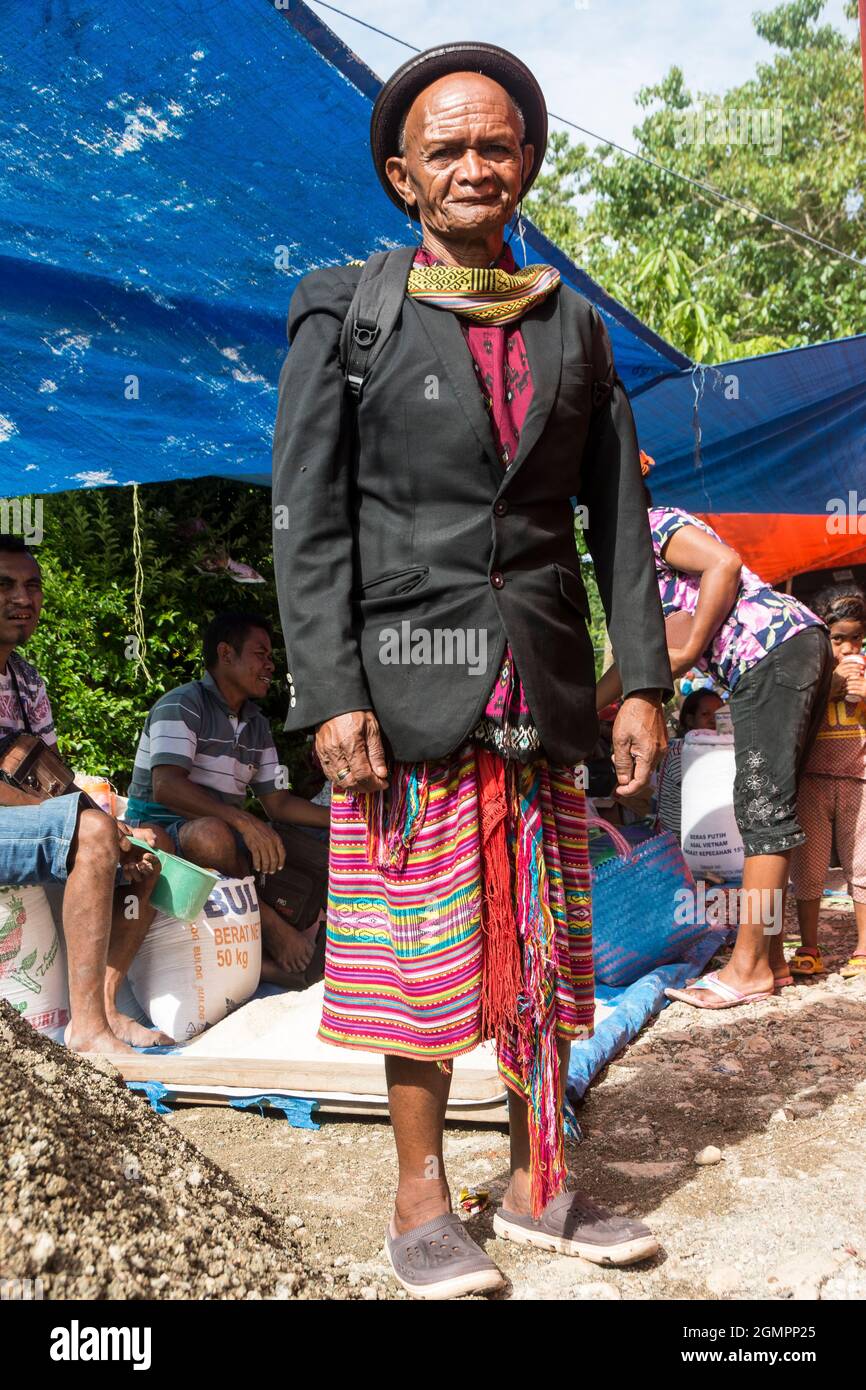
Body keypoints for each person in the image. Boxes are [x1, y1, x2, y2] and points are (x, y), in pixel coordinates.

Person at [272, 42, 672, 1299]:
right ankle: (417, 1199)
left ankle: (542, 1178)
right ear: (402, 174)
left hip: (543, 686)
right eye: (444, 148)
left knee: (545, 949)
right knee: (415, 952)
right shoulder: (350, 310)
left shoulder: (574, 328)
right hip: (404, 686)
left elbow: (611, 519)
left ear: (528, 163)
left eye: (494, 144)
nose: (472, 166)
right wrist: (329, 687)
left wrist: (643, 680)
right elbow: (305, 515)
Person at [598, 461, 834, 1009]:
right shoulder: (630, 565)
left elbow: (723, 565)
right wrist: (587, 707)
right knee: (769, 803)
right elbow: (639, 659)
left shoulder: (654, 525)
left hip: (769, 653)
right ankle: (770, 959)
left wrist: (690, 646)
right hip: (787, 650)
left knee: (761, 809)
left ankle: (745, 968)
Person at [0, 536, 167, 1054]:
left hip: (19, 822)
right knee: (91, 830)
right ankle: (87, 1032)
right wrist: (85, 820)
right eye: (5, 585)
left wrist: (115, 827)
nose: (22, 598)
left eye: (32, 586)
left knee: (148, 845)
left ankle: (106, 1009)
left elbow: (55, 778)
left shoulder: (27, 680)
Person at [125, 611, 329, 984]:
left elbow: (277, 803)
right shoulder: (182, 704)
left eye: (270, 657)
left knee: (314, 841)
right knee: (213, 835)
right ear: (226, 653)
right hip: (163, 826)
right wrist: (244, 822)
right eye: (260, 654)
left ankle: (310, 940)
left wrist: (342, 820)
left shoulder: (256, 724)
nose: (270, 665)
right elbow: (166, 787)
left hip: (224, 826)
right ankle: (271, 931)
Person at [789, 585, 866, 979]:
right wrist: (830, 687)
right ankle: (808, 944)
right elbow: (794, 722)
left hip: (859, 780)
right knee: (809, 866)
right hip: (812, 782)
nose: (849, 647)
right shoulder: (810, 675)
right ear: (821, 636)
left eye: (857, 638)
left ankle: (864, 948)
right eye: (839, 639)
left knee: (861, 864)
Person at [655, 689, 724, 841]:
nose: (714, 720)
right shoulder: (680, 752)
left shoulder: (719, 749)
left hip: (704, 834)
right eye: (705, 714)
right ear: (690, 720)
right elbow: (705, 792)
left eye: (720, 714)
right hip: (680, 839)